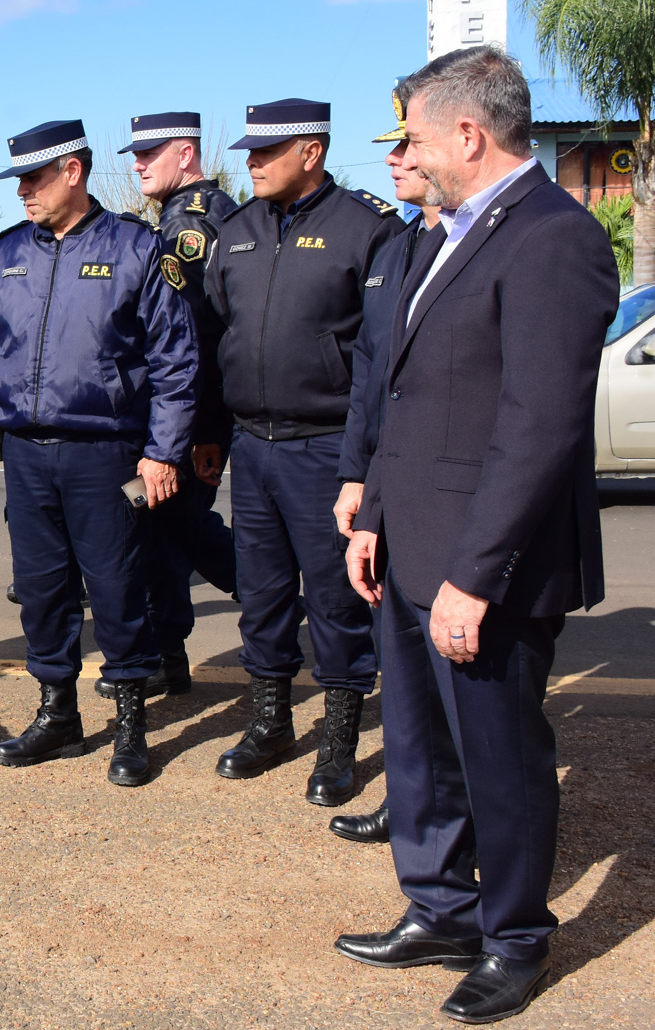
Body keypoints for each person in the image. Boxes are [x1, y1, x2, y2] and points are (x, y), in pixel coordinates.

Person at [337, 45, 618, 1024]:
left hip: (483, 565)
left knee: (501, 757)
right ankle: (442, 907)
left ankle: (516, 936)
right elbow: (413, 397)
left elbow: (537, 423)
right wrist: (373, 515)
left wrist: (474, 574)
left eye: (412, 134)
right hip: (413, 543)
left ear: (467, 132)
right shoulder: (452, 233)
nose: (404, 152)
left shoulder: (552, 238)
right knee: (422, 750)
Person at [0, 119, 199, 788]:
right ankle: (57, 714)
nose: (23, 192)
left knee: (118, 590)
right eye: (18, 181)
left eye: (33, 178)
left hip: (107, 454)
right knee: (41, 592)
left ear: (72, 172)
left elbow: (175, 360)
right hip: (26, 454)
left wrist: (163, 452)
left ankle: (129, 725)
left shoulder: (135, 250)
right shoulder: (5, 255)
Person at [205, 98, 405, 805]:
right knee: (259, 597)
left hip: (326, 448)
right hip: (252, 447)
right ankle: (270, 724)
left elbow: (378, 362)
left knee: (335, 601)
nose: (250, 163)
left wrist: (359, 465)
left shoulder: (367, 230)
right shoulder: (235, 233)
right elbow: (216, 339)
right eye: (248, 152)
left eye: (266, 152)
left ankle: (339, 743)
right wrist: (209, 438)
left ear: (311, 152)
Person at [327, 83, 448, 845]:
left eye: (407, 144)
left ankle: (453, 827)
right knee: (402, 678)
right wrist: (356, 478)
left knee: (452, 688)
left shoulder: (479, 245)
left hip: (445, 494)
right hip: (386, 481)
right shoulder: (398, 246)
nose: (395, 159)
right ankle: (411, 802)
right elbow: (371, 375)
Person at [116, 111, 238, 697]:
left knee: (169, 532)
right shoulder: (192, 217)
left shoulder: (191, 227)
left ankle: (275, 600)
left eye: (150, 153)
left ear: (185, 155)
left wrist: (198, 429)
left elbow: (196, 338)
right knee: (170, 531)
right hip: (192, 418)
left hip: (188, 420)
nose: (138, 164)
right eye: (135, 154)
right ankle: (170, 652)